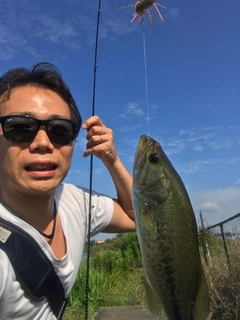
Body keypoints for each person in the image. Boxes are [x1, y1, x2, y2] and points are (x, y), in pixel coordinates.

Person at [0, 62, 135, 319]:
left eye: (59, 130)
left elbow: (137, 217)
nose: (43, 143)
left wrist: (111, 160)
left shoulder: (75, 201)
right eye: (19, 127)